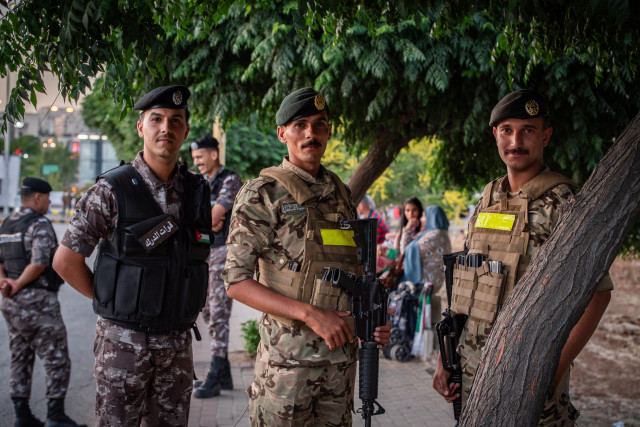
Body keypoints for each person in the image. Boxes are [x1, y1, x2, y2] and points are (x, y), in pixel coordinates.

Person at [432, 89, 613, 425]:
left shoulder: (565, 204)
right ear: (495, 134)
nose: (516, 141)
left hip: (528, 379)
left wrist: (551, 370)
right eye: (507, 130)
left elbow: (598, 295)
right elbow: (463, 287)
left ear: (545, 135)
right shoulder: (488, 198)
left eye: (528, 130)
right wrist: (445, 358)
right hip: (472, 372)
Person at [222, 87, 392, 426]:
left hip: (340, 363)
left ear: (328, 131)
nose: (311, 134)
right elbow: (236, 282)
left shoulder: (340, 192)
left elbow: (348, 271)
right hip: (288, 367)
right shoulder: (262, 194)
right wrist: (311, 314)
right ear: (282, 133)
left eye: (319, 125)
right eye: (300, 125)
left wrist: (371, 320)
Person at [52, 85, 212, 426]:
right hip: (123, 345)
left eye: (175, 120)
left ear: (185, 130)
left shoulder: (196, 190)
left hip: (177, 346)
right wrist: (112, 300)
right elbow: (65, 261)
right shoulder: (112, 189)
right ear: (141, 127)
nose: (166, 128)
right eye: (156, 120)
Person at [0, 177, 85, 427]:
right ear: (37, 197)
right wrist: (17, 283)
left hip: (11, 304)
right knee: (56, 357)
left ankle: (21, 414)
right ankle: (55, 414)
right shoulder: (39, 224)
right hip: (37, 302)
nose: (49, 203)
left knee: (20, 355)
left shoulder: (8, 223)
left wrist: (6, 282)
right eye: (47, 198)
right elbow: (39, 263)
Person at [189, 135, 242, 398]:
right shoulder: (201, 182)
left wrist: (209, 220)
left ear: (213, 154)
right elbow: (196, 218)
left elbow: (214, 216)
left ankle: (214, 375)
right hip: (206, 253)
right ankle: (225, 375)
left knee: (218, 313)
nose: (196, 162)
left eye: (200, 157)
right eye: (194, 158)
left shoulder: (229, 179)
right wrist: (207, 221)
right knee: (208, 312)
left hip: (223, 253)